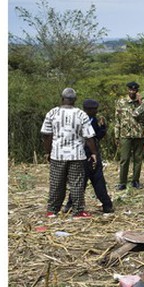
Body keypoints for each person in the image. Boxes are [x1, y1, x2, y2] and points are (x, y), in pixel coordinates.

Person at [40, 88, 97, 219]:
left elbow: (46, 135)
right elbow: (89, 137)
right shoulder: (81, 114)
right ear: (75, 100)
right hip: (76, 155)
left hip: (57, 154)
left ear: (62, 98)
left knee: (56, 183)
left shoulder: (52, 113)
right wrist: (93, 153)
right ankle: (78, 211)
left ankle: (52, 211)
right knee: (76, 183)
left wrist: (47, 152)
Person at [64, 99, 114, 214]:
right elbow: (91, 138)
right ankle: (106, 205)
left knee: (83, 181)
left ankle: (71, 205)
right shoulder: (86, 121)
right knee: (92, 180)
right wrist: (94, 154)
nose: (96, 111)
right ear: (87, 110)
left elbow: (97, 136)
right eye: (94, 109)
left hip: (85, 154)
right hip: (87, 154)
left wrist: (102, 128)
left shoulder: (87, 119)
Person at [113, 81, 144, 190]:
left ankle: (135, 181)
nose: (132, 92)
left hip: (138, 134)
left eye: (134, 90)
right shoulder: (121, 102)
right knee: (124, 159)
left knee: (138, 159)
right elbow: (117, 119)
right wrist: (117, 135)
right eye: (130, 90)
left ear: (137, 91)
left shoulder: (141, 103)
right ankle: (122, 182)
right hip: (125, 134)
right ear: (128, 90)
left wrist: (140, 102)